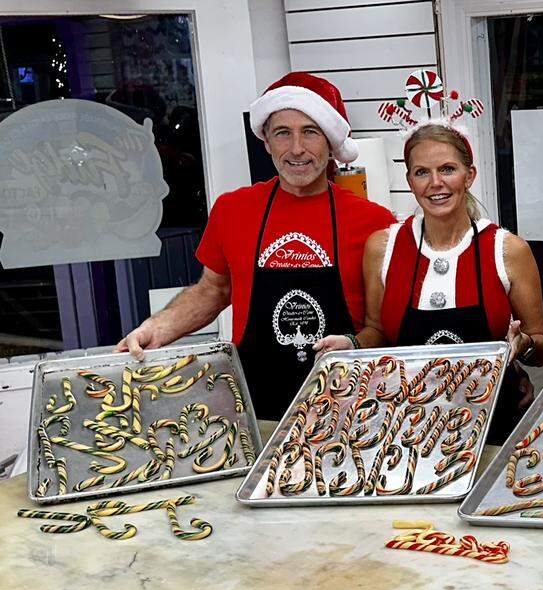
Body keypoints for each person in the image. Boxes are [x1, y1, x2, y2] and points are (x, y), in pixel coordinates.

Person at [117, 72, 396, 419]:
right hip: (256, 411)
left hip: (348, 411)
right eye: (283, 133)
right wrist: (155, 329)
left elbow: (384, 329)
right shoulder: (233, 210)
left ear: (331, 141)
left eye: (310, 131)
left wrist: (354, 345)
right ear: (266, 141)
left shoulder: (374, 221)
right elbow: (213, 290)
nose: (296, 148)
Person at [312, 123, 543, 442]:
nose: (435, 183)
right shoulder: (383, 248)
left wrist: (524, 344)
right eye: (422, 172)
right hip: (408, 428)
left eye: (447, 169)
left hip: (495, 426)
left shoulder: (507, 250)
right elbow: (377, 332)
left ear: (469, 175)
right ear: (409, 181)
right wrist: (351, 345)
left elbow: (542, 348)